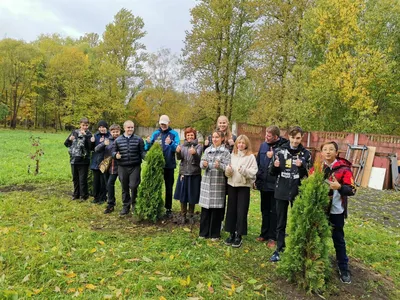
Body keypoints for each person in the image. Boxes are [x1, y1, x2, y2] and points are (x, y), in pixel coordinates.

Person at [311, 141, 356, 284]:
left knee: (338, 239)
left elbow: (352, 189)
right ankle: (317, 263)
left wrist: (340, 187)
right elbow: (308, 184)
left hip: (336, 211)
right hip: (320, 209)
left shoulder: (344, 169)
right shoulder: (317, 168)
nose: (328, 152)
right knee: (318, 237)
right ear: (321, 153)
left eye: (331, 149)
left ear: (336, 153)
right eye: (325, 149)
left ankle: (343, 268)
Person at [269, 126, 312, 262]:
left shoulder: (306, 154)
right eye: (293, 138)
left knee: (297, 222)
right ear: (289, 137)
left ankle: (295, 248)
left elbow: (308, 176)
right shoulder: (280, 151)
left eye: (298, 138)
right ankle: (279, 249)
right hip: (281, 191)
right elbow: (271, 172)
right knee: (280, 222)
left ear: (302, 137)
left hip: (297, 192)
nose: (295, 141)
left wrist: (302, 167)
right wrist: (274, 166)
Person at [254, 126, 288, 248]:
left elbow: (283, 166)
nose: (266, 138)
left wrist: (273, 156)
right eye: (266, 135)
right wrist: (256, 179)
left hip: (275, 185)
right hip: (263, 184)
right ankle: (264, 233)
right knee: (264, 209)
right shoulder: (263, 146)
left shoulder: (283, 147)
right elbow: (258, 163)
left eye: (269, 136)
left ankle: (273, 237)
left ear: (276, 137)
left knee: (274, 212)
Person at [224, 135, 258, 248]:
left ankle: (239, 235)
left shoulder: (251, 157)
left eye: (243, 143)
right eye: (239, 142)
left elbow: (254, 172)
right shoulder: (232, 155)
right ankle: (231, 233)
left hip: (243, 186)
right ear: (236, 144)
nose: (241, 145)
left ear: (246, 144)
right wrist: (228, 171)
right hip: (232, 185)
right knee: (231, 210)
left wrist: (244, 171)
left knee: (241, 211)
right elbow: (227, 171)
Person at [145, 115, 180, 218]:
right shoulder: (156, 133)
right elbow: (149, 147)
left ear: (169, 123)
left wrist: (171, 143)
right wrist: (147, 143)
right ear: (159, 123)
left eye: (165, 123)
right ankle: (155, 206)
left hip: (169, 165)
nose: (163, 125)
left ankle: (168, 208)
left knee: (168, 187)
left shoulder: (174, 134)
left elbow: (177, 148)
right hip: (157, 165)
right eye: (161, 123)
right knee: (156, 186)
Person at [198, 130, 231, 240]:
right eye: (213, 137)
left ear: (222, 139)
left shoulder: (226, 152)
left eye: (217, 137)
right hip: (207, 184)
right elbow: (201, 163)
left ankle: (214, 234)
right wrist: (204, 164)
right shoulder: (207, 150)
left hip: (218, 183)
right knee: (205, 210)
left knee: (216, 210)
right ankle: (203, 233)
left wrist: (220, 166)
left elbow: (228, 168)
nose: (215, 139)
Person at [113, 120, 145, 216]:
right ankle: (125, 206)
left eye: (132, 127)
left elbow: (142, 152)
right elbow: (113, 151)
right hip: (122, 167)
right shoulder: (118, 140)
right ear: (124, 128)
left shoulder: (138, 139)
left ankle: (134, 204)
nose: (130, 129)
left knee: (134, 186)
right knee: (125, 186)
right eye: (128, 127)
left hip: (135, 166)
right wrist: (115, 155)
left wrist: (147, 157)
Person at [174, 127, 203, 224]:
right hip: (183, 174)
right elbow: (179, 158)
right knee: (183, 195)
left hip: (194, 174)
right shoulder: (182, 146)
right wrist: (177, 152)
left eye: (191, 135)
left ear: (194, 136)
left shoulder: (198, 146)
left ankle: (191, 214)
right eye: (188, 135)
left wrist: (194, 154)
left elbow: (198, 160)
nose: (190, 137)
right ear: (185, 136)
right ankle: (183, 215)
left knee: (192, 195)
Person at [94, 124, 121, 214]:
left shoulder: (121, 140)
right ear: (110, 132)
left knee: (110, 184)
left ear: (119, 132)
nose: (115, 133)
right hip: (106, 167)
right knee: (108, 185)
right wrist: (103, 145)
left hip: (117, 167)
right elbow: (96, 149)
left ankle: (112, 204)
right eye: (113, 132)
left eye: (117, 132)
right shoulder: (107, 140)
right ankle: (111, 203)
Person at [64, 117, 92, 201]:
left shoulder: (89, 134)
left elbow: (90, 147)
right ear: (80, 125)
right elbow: (66, 144)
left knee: (82, 179)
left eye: (86, 125)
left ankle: (84, 195)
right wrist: (69, 139)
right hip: (74, 159)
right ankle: (76, 194)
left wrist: (86, 136)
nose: (85, 127)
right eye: (83, 125)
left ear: (88, 125)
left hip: (83, 160)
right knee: (75, 178)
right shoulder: (74, 132)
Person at [90, 120, 111, 204]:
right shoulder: (96, 135)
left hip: (105, 161)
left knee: (103, 181)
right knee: (96, 181)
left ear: (106, 127)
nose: (102, 129)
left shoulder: (109, 136)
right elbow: (92, 149)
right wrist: (91, 142)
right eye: (100, 127)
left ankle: (103, 197)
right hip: (96, 161)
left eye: (103, 127)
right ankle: (96, 197)